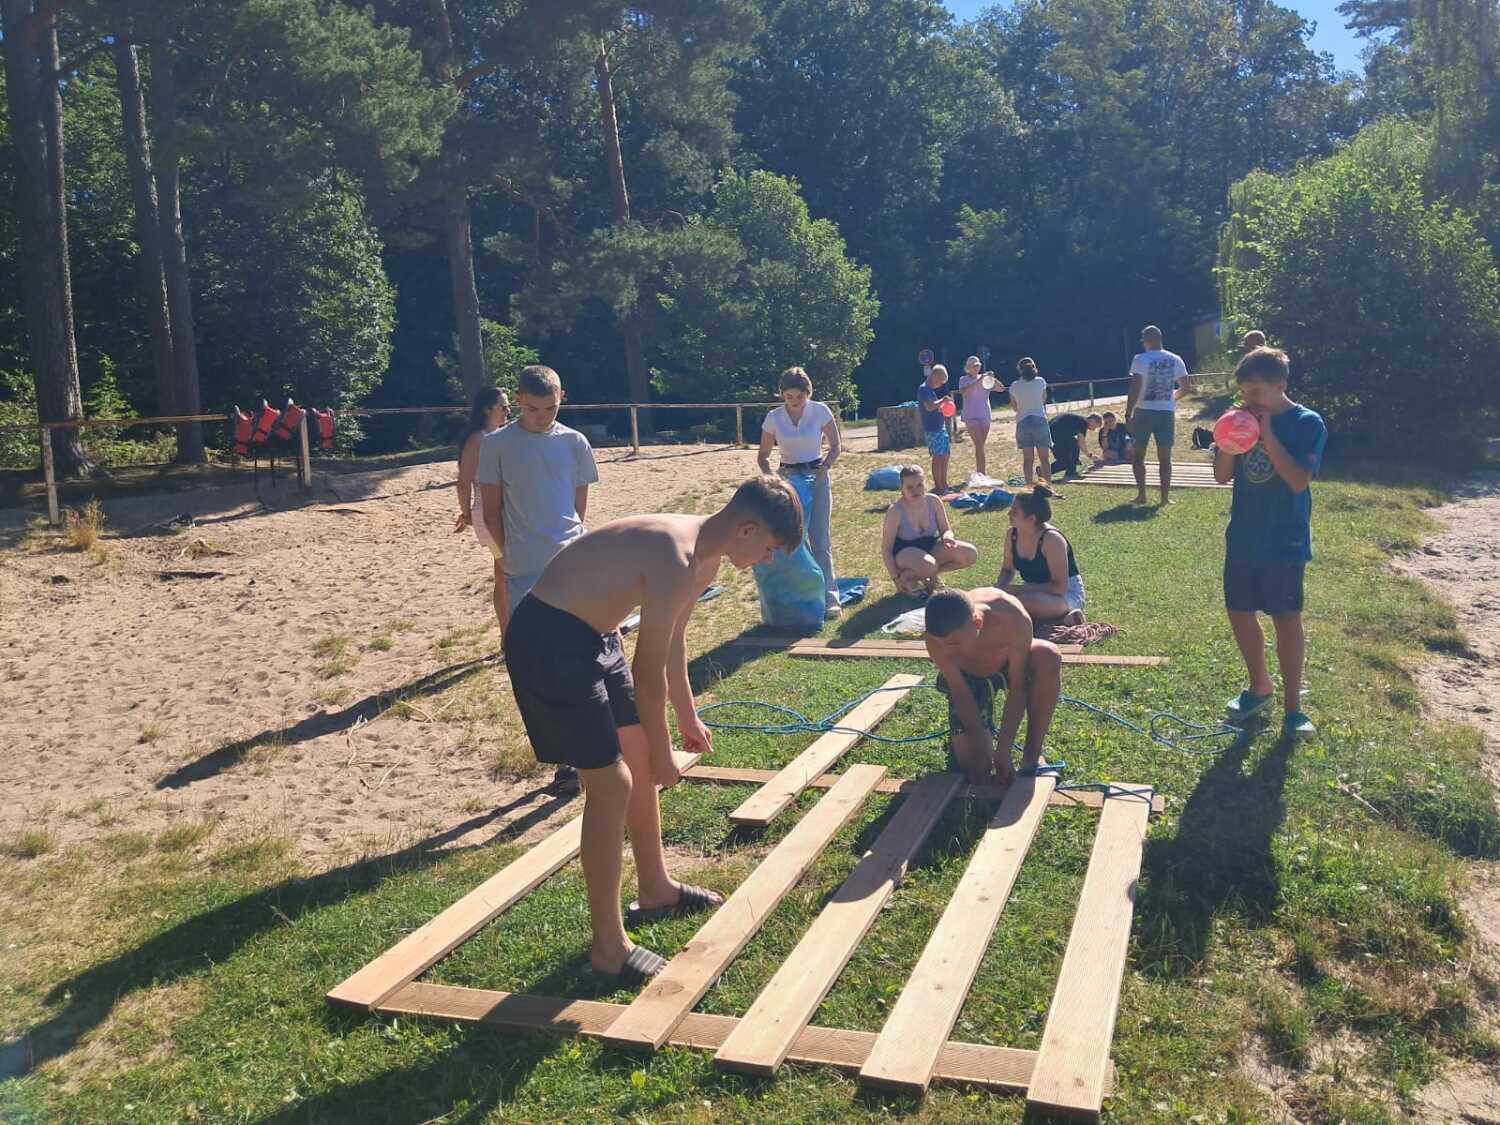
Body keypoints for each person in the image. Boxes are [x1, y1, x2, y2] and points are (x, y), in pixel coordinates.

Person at [502, 475, 804, 983]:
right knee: (612, 781)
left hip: (597, 634)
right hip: (548, 640)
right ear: (747, 530)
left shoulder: (705, 559)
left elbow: (673, 644)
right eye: (770, 548)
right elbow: (647, 674)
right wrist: (665, 753)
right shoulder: (675, 556)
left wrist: (686, 716)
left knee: (636, 758)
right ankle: (609, 948)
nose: (767, 559)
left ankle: (656, 888)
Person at [479, 364, 599, 792]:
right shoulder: (497, 445)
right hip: (522, 570)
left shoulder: (575, 442)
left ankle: (589, 753)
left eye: (550, 409)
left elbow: (578, 507)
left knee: (581, 659)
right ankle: (564, 757)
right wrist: (502, 558)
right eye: (532, 410)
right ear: (518, 401)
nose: (542, 417)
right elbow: (490, 512)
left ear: (561, 398)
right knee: (540, 668)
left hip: (571, 564)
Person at [1213, 347, 1327, 739]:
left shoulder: (1306, 423)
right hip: (1244, 538)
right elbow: (1221, 476)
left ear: (1281, 384)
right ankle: (1260, 687)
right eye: (1244, 392)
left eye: (1257, 392)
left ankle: (1294, 708)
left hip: (1284, 541)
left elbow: (1297, 480)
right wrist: (1227, 438)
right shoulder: (1242, 419)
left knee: (1286, 618)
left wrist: (1267, 434)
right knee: (1239, 611)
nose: (1249, 400)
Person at [924, 587, 1062, 786]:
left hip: (1005, 664)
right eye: (942, 644)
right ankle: (976, 741)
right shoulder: (936, 635)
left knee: (1047, 655)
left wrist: (1004, 750)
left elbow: (1017, 687)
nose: (946, 650)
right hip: (968, 675)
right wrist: (979, 746)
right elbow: (960, 691)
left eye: (954, 644)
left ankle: (1032, 756)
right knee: (975, 764)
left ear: (977, 623)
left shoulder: (1012, 617)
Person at [758, 366, 843, 618]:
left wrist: (825, 468)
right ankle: (802, 595)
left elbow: (836, 446)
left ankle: (830, 598)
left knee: (820, 540)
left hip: (816, 477)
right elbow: (763, 456)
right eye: (789, 397)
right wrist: (772, 478)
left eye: (799, 396)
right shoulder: (773, 417)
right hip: (787, 480)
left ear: (808, 393)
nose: (794, 401)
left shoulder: (820, 411)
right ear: (782, 395)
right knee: (794, 540)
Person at [453, 386, 510, 628]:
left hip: (509, 512)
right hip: (487, 515)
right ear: (487, 409)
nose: (508, 411)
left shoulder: (504, 435)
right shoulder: (477, 440)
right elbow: (463, 482)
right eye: (503, 406)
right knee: (503, 571)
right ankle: (506, 632)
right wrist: (466, 514)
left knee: (511, 569)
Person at [881, 465, 978, 596]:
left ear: (925, 484)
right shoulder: (896, 511)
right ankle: (906, 578)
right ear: (902, 489)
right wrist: (895, 578)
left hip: (930, 547)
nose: (915, 490)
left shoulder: (934, 501)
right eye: (910, 487)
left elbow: (946, 529)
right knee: (929, 566)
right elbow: (886, 549)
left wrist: (948, 537)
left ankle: (928, 576)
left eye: (919, 485)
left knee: (970, 553)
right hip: (904, 553)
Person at [997, 485, 1086, 625]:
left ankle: (1064, 619)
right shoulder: (1012, 534)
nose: (1009, 514)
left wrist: (1018, 589)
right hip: (1032, 592)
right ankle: (1063, 620)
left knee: (1026, 603)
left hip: (1065, 595)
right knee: (1000, 601)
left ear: (1031, 518)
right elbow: (1007, 570)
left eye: (1015, 511)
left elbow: (1059, 587)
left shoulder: (1052, 540)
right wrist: (999, 588)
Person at [1124, 325, 1193, 505]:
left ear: (1146, 341)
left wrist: (1128, 414)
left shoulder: (1140, 359)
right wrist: (1170, 399)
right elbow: (1186, 388)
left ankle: (1142, 495)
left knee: (1139, 456)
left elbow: (1135, 387)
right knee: (1165, 458)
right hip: (1166, 413)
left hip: (1143, 412)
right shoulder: (1175, 359)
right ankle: (1164, 499)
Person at [1005, 357, 1051, 486]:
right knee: (1044, 458)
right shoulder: (1040, 382)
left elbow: (1015, 407)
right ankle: (1048, 486)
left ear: (1019, 370)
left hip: (1023, 422)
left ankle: (1029, 486)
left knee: (1028, 459)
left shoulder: (1014, 386)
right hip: (1040, 419)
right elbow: (1043, 399)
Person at [957, 356, 997, 477]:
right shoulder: (963, 380)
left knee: (981, 446)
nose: (977, 368)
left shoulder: (984, 378)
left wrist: (993, 378)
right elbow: (964, 392)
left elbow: (1000, 388)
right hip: (971, 416)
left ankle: (981, 473)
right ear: (968, 368)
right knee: (979, 444)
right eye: (974, 366)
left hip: (985, 415)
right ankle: (981, 473)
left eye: (978, 365)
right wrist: (980, 380)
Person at [918, 364, 955, 494]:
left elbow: (936, 407)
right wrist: (942, 400)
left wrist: (945, 407)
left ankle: (944, 484)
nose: (939, 385)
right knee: (937, 457)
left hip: (940, 427)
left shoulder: (930, 390)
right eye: (940, 382)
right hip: (932, 429)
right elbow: (929, 407)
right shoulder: (924, 389)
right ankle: (938, 486)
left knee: (945, 455)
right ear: (934, 376)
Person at [1048, 411, 1101, 479]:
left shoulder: (1079, 420)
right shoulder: (1083, 422)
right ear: (1093, 420)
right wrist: (1089, 455)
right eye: (1096, 426)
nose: (1094, 429)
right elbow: (1081, 442)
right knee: (1065, 462)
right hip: (1056, 435)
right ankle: (1043, 471)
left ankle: (1071, 470)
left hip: (1049, 433)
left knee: (1074, 445)